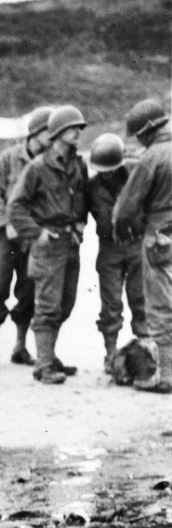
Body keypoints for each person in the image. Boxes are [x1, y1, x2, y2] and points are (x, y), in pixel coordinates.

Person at [8, 104, 90, 384]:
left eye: (80, 128)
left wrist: (80, 223)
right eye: (73, 128)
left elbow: (82, 200)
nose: (78, 132)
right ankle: (43, 365)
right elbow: (15, 207)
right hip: (48, 245)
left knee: (65, 304)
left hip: (70, 243)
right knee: (47, 306)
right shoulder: (37, 168)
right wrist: (36, 233)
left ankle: (49, 356)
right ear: (57, 133)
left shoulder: (78, 165)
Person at [0, 106, 54, 369]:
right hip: (6, 237)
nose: (51, 137)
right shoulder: (8, 159)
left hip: (32, 237)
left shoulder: (48, 162)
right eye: (47, 131)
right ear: (35, 133)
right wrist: (6, 223)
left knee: (29, 291)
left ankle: (20, 347)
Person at [114, 98, 172, 394]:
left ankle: (165, 376)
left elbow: (125, 208)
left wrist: (122, 229)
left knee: (161, 306)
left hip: (160, 238)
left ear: (147, 131)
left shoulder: (152, 158)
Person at [86, 133, 148, 377]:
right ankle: (111, 354)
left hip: (136, 245)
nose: (107, 174)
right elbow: (79, 213)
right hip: (109, 248)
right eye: (103, 171)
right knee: (110, 304)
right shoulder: (91, 187)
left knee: (140, 299)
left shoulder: (136, 174)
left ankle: (146, 349)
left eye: (111, 169)